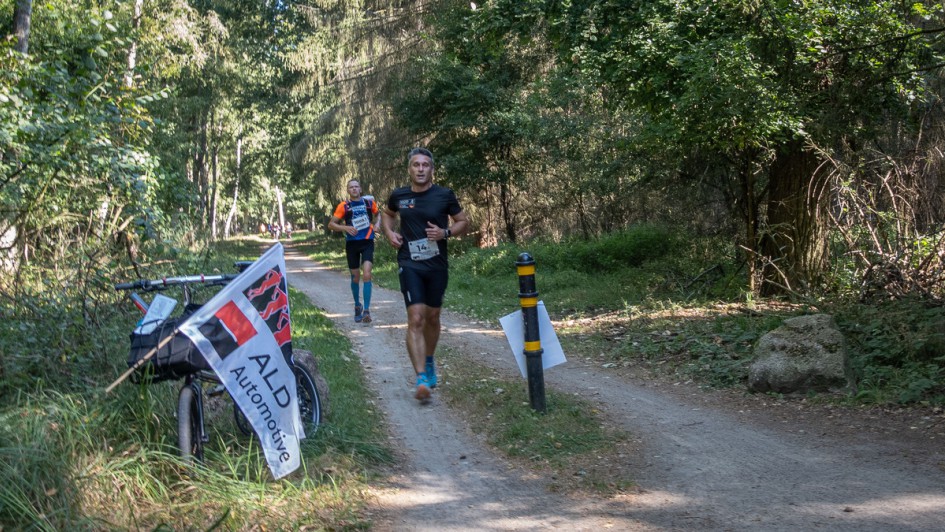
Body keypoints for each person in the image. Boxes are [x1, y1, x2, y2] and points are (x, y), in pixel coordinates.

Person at [382, 147, 469, 402]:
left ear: (432, 169)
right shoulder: (399, 195)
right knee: (416, 318)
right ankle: (421, 377)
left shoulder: (444, 195)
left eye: (425, 165)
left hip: (437, 265)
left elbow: (464, 222)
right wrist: (389, 233)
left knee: (432, 317)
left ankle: (429, 360)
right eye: (416, 165)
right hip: (410, 263)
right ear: (409, 169)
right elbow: (386, 216)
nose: (420, 169)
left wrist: (446, 233)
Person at [328, 179, 381, 324]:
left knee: (367, 274)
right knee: (355, 276)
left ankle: (367, 311)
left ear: (361, 189)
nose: (354, 189)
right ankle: (357, 305)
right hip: (352, 244)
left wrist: (377, 225)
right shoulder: (344, 206)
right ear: (348, 190)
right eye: (351, 187)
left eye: (356, 186)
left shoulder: (369, 203)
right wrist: (345, 228)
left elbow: (379, 215)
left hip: (367, 242)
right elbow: (331, 224)